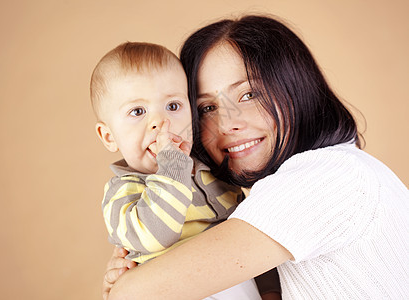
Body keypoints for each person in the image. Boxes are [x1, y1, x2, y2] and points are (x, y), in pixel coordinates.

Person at [104, 16, 409, 299]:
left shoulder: (326, 176)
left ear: (297, 86)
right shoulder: (328, 174)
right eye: (206, 108)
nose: (227, 123)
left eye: (249, 95)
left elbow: (132, 295)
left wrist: (130, 280)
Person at [90, 42, 281, 299]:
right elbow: (157, 235)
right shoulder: (123, 192)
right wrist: (173, 167)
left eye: (173, 106)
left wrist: (270, 290)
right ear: (108, 136)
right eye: (138, 111)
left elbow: (250, 231)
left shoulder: (212, 174)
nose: (161, 122)